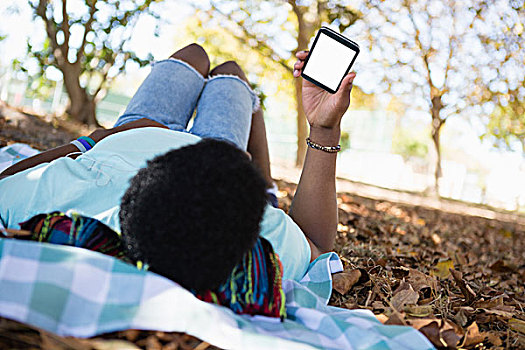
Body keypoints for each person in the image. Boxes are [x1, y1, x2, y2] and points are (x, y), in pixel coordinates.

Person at [0, 43, 356, 299]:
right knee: (231, 73)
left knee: (193, 55)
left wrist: (98, 139)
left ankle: (248, 138)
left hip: (135, 136)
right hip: (211, 154)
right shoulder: (259, 238)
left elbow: (9, 179)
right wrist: (324, 128)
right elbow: (320, 249)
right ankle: (262, 183)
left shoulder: (60, 201)